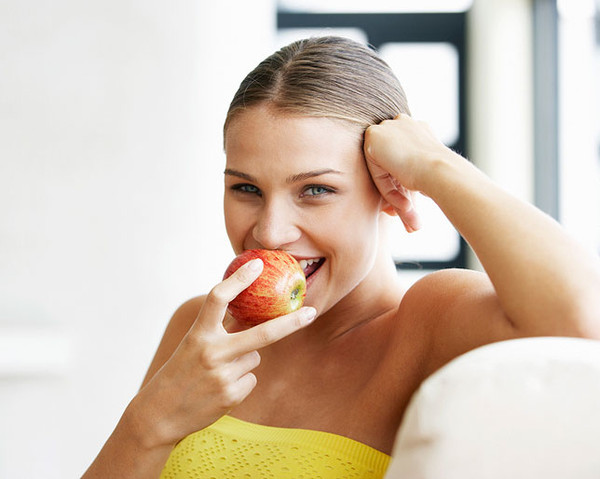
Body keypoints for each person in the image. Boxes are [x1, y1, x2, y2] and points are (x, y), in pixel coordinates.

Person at [82, 36, 600, 478]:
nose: (270, 231)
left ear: (389, 188)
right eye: (246, 188)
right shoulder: (203, 328)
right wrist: (149, 423)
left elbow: (583, 320)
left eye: (316, 190)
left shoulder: (427, 324)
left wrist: (434, 163)